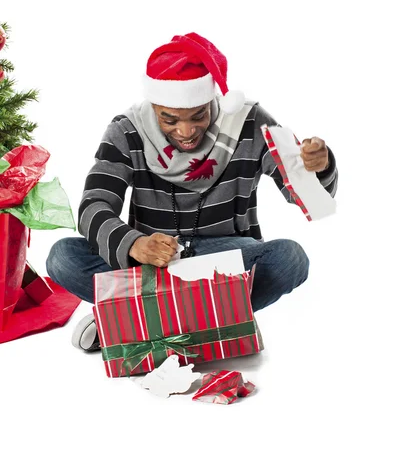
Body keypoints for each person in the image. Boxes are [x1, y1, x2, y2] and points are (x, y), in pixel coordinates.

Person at [46, 32, 338, 352]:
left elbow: (300, 192)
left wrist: (318, 165)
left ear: (212, 101)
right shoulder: (126, 130)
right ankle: (214, 318)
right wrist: (135, 244)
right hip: (150, 262)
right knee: (62, 256)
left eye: (199, 115)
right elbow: (93, 206)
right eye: (169, 119)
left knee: (291, 258)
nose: (186, 132)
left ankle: (131, 319)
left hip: (225, 257)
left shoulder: (248, 121)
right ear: (153, 105)